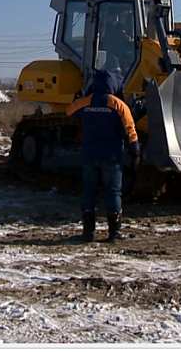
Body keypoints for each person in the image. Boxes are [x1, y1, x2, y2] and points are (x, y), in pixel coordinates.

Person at [66, 69, 141, 243]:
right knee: (113, 192)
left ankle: (88, 233)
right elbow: (130, 130)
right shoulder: (118, 105)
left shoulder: (86, 102)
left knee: (89, 192)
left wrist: (76, 99)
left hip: (89, 156)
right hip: (112, 157)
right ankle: (114, 234)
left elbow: (69, 112)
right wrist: (135, 151)